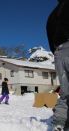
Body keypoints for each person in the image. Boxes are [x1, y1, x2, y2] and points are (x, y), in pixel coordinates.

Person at [46, 0, 69, 130]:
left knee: (66, 92)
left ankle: (60, 122)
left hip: (59, 54)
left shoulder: (51, 16)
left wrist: (56, 52)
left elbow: (50, 38)